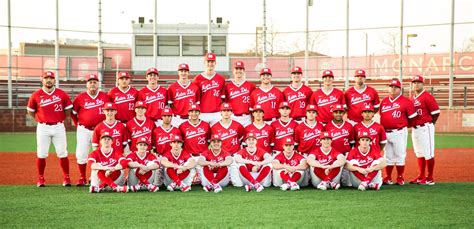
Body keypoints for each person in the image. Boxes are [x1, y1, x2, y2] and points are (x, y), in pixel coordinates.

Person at [27, 70, 73, 187]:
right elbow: (30, 111)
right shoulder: (36, 95)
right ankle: (41, 178)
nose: (49, 80)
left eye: (51, 78)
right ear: (42, 80)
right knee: (42, 153)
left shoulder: (61, 93)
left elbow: (68, 109)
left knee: (62, 152)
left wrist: (60, 118)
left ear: (54, 80)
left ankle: (66, 178)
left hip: (58, 126)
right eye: (46, 78)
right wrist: (40, 118)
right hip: (43, 127)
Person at [71, 73, 109, 186]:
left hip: (100, 129)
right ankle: (82, 177)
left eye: (95, 82)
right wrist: (77, 124)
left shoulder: (105, 96)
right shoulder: (80, 97)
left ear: (98, 84)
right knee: (81, 153)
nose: (92, 84)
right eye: (90, 82)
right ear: (87, 84)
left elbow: (110, 111)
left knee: (100, 153)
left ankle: (97, 177)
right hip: (84, 129)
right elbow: (73, 113)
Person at [379, 79, 417, 185]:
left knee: (400, 155)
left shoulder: (406, 101)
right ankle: (388, 177)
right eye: (391, 86)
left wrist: (403, 126)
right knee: (388, 156)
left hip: (399, 132)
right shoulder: (384, 101)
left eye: (395, 87)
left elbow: (413, 118)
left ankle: (400, 177)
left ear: (400, 89)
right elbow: (382, 115)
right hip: (386, 132)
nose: (393, 88)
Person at [410, 75, 440, 185]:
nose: (416, 84)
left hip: (425, 127)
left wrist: (430, 123)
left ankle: (430, 177)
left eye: (418, 82)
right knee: (419, 153)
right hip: (416, 128)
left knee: (428, 153)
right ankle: (421, 176)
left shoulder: (427, 96)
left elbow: (436, 113)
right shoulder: (412, 97)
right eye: (414, 82)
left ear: (423, 84)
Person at [193, 52, 226, 126]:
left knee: (217, 136)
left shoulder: (221, 79)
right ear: (204, 62)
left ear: (215, 63)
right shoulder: (197, 79)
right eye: (208, 61)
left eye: (212, 61)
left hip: (217, 113)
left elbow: (223, 99)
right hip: (202, 113)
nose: (210, 64)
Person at [224, 61, 256, 127]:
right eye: (236, 69)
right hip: (233, 116)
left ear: (244, 71)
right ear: (233, 71)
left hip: (246, 117)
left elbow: (254, 103)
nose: (238, 71)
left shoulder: (251, 86)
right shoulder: (227, 86)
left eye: (241, 69)